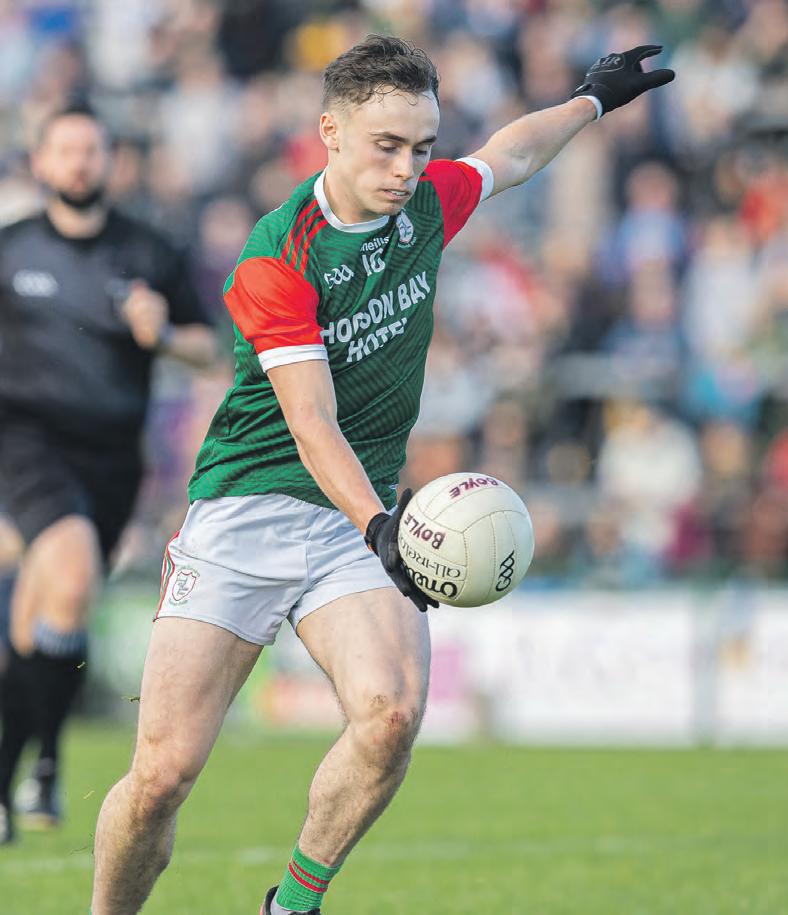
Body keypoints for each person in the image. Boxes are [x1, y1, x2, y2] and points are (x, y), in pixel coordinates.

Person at [90, 37, 674, 914]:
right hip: (248, 514)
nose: (407, 169)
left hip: (351, 521)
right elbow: (311, 422)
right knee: (162, 774)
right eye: (387, 146)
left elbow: (510, 155)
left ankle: (290, 906)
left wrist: (591, 99)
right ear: (330, 132)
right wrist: (381, 527)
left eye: (422, 147)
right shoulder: (277, 256)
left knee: (391, 713)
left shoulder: (427, 203)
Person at [0, 104, 217, 845]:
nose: (79, 162)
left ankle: (15, 777)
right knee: (72, 577)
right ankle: (48, 764)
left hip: (113, 456)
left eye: (91, 149)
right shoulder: (13, 248)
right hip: (27, 443)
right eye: (65, 149)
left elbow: (208, 346)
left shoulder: (149, 250)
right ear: (41, 161)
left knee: (41, 616)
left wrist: (164, 334)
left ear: (110, 160)